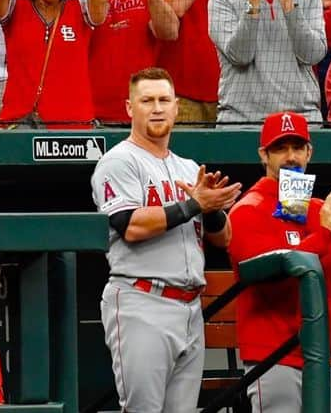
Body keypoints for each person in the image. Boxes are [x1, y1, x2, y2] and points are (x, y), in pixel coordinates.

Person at [91, 68, 241, 413]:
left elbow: (224, 237)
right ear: (130, 108)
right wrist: (193, 205)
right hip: (142, 300)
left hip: (189, 307)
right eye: (147, 101)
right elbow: (129, 224)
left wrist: (212, 209)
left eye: (163, 100)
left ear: (176, 108)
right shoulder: (118, 161)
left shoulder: (189, 168)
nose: (156, 108)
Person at [227, 111, 331, 412]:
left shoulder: (320, 210)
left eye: (297, 147)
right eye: (280, 148)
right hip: (273, 358)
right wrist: (326, 232)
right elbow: (271, 283)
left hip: (319, 359)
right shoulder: (247, 210)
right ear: (263, 155)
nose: (290, 157)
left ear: (309, 152)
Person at [209, 0, 327, 125]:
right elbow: (240, 56)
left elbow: (312, 54)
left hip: (301, 120)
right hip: (241, 122)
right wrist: (253, 4)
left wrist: (289, 7)